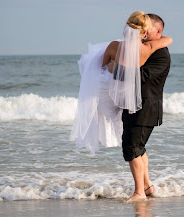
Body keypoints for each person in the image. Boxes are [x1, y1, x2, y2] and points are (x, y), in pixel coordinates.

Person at [69, 11, 172, 201]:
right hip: (132, 105)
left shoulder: (160, 55)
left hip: (146, 108)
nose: (144, 33)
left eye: (148, 30)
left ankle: (139, 192)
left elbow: (141, 78)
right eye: (143, 29)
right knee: (138, 147)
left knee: (131, 148)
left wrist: (114, 68)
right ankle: (147, 187)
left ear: (156, 32)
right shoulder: (142, 47)